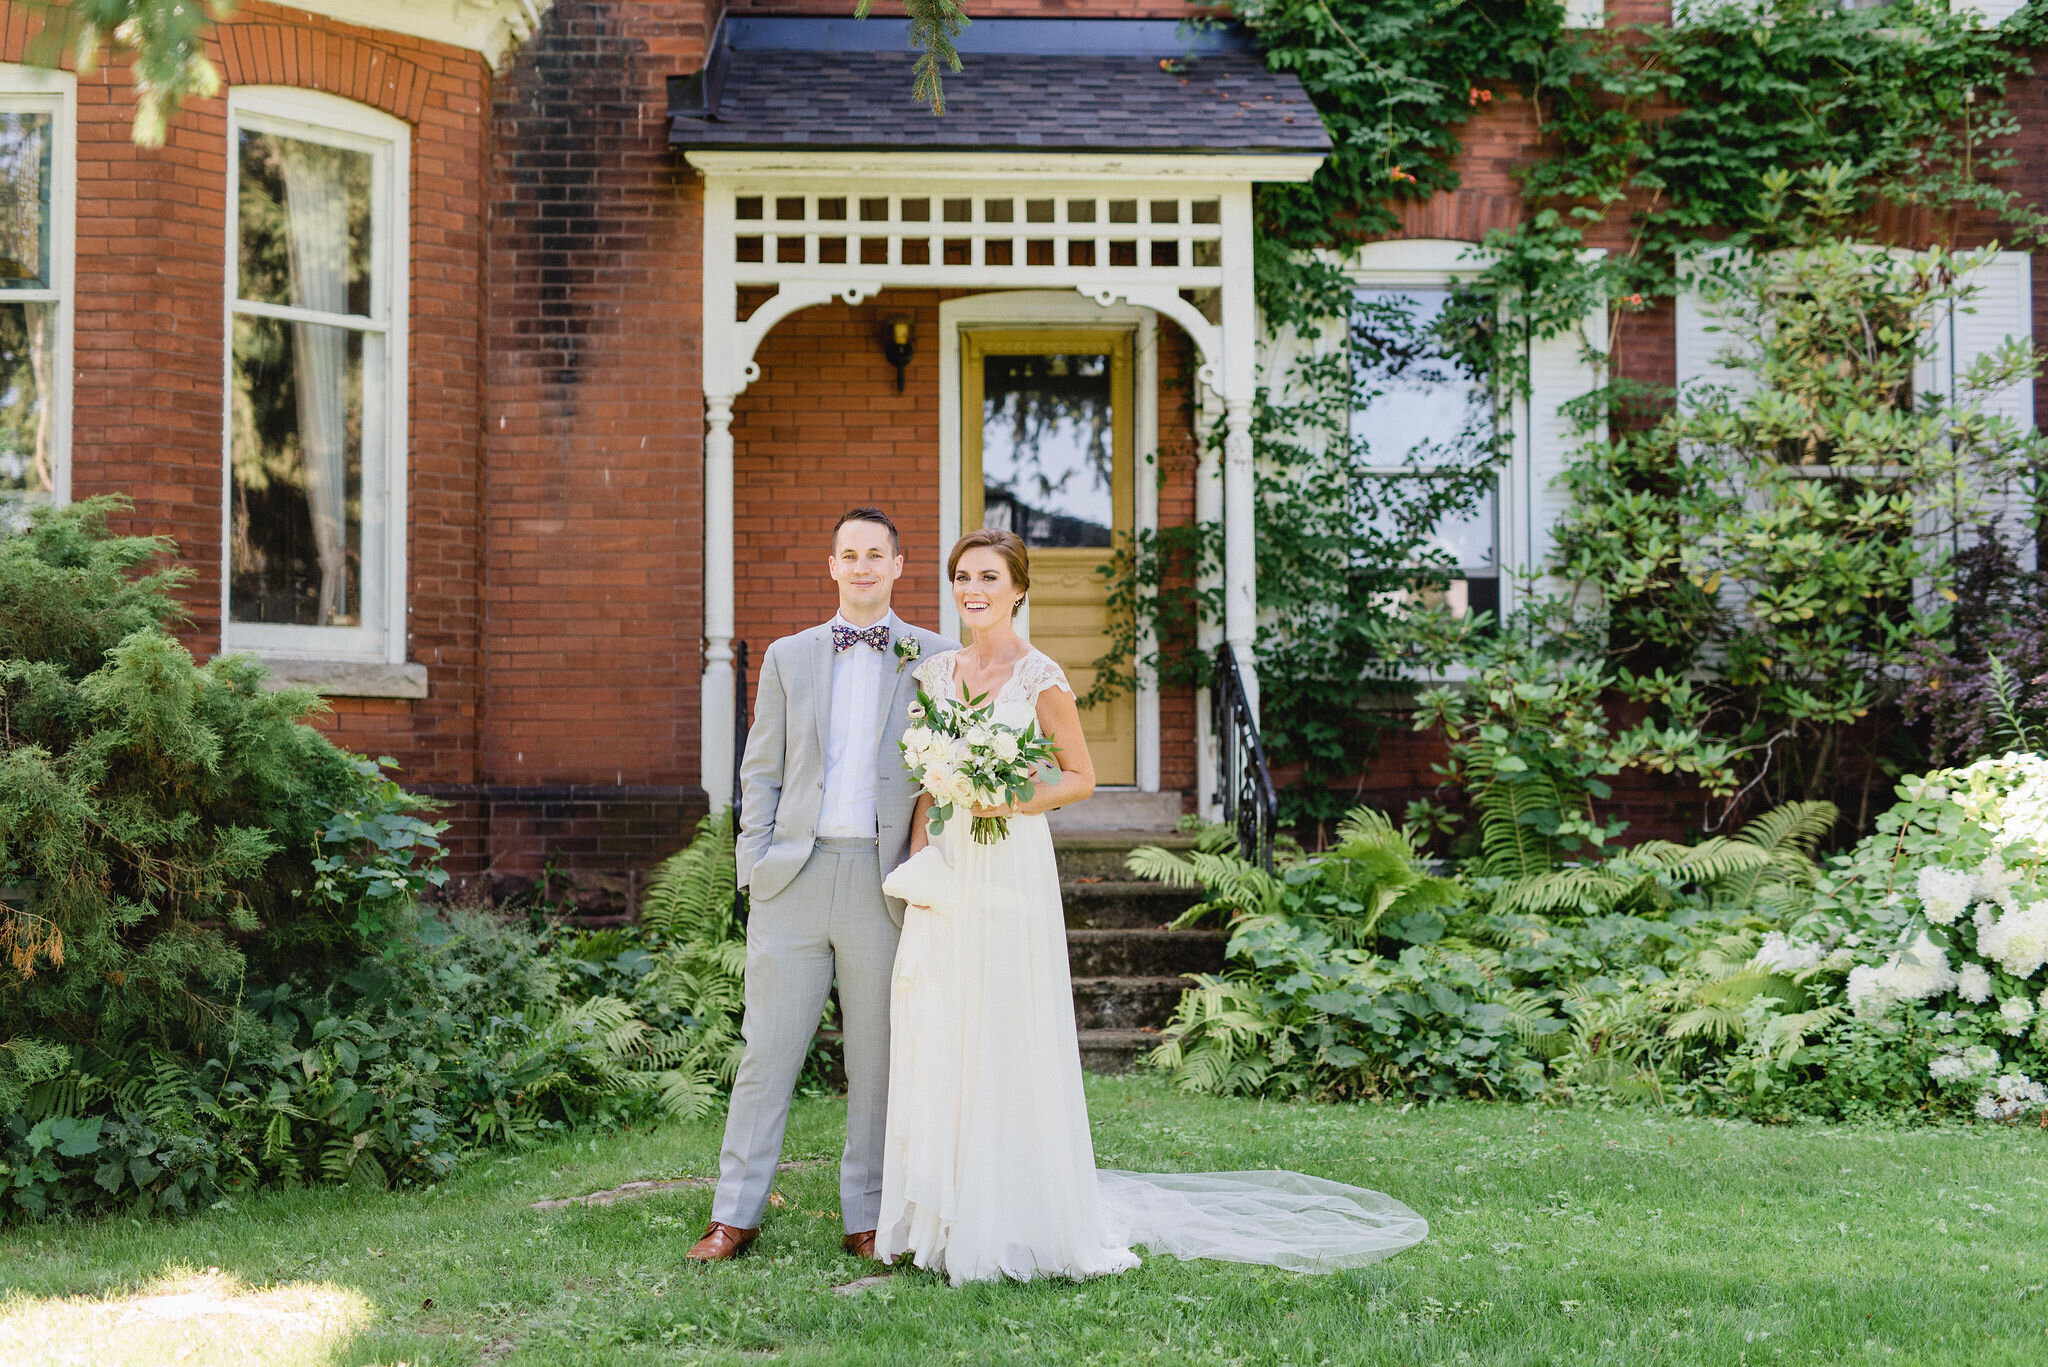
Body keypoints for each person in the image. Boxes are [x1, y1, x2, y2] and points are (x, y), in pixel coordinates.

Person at [876, 528, 1429, 1285]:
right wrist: (917, 861)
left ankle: (1012, 1209)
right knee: (945, 1023)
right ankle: (942, 1214)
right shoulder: (936, 674)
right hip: (948, 862)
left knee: (1005, 1024)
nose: (973, 588)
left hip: (1009, 858)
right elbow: (927, 781)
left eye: (989, 577)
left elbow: (1079, 775)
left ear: (1019, 588)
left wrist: (1012, 796)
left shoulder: (1039, 676)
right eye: (963, 576)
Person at [688, 507, 955, 1265]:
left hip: (883, 882)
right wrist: (756, 872)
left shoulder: (933, 657)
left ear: (900, 565)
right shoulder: (787, 655)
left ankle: (866, 1215)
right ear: (831, 565)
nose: (863, 565)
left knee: (876, 1060)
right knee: (766, 1053)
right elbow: (760, 770)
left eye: (877, 553)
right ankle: (733, 1214)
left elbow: (946, 775)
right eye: (850, 553)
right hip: (795, 878)